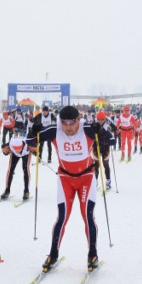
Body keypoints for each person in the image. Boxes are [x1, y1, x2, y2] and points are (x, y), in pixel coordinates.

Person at [27, 105, 114, 273]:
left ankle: (93, 254)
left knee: (87, 217)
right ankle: (53, 254)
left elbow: (110, 141)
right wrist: (34, 131)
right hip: (65, 179)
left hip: (86, 179)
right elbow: (30, 142)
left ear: (78, 121)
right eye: (64, 123)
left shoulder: (87, 128)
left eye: (71, 123)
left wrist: (100, 132)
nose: (68, 127)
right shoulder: (54, 130)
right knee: (62, 218)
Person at [93, 111, 117, 189]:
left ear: (105, 118)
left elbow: (115, 128)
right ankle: (95, 181)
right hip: (96, 145)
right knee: (96, 164)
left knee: (105, 164)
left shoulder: (108, 121)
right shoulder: (95, 123)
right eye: (99, 119)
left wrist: (112, 135)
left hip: (105, 146)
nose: (100, 121)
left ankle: (108, 181)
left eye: (102, 119)